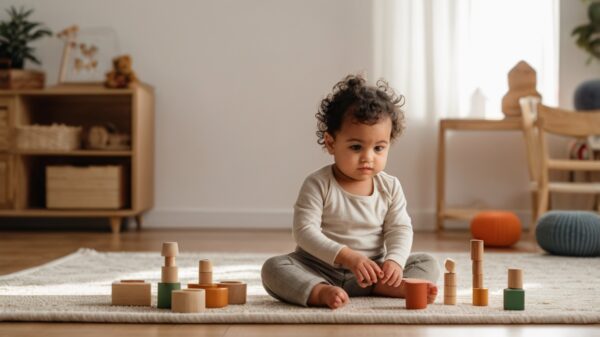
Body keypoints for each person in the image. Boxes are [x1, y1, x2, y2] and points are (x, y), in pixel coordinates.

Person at [261, 74, 440, 309]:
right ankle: (319, 291)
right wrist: (348, 256)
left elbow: (400, 228)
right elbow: (304, 231)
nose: (368, 157)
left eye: (378, 148)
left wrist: (394, 262)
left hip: (372, 271)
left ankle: (388, 284)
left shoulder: (390, 187)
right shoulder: (317, 183)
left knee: (427, 262)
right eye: (356, 147)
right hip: (318, 267)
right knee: (273, 268)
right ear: (331, 143)